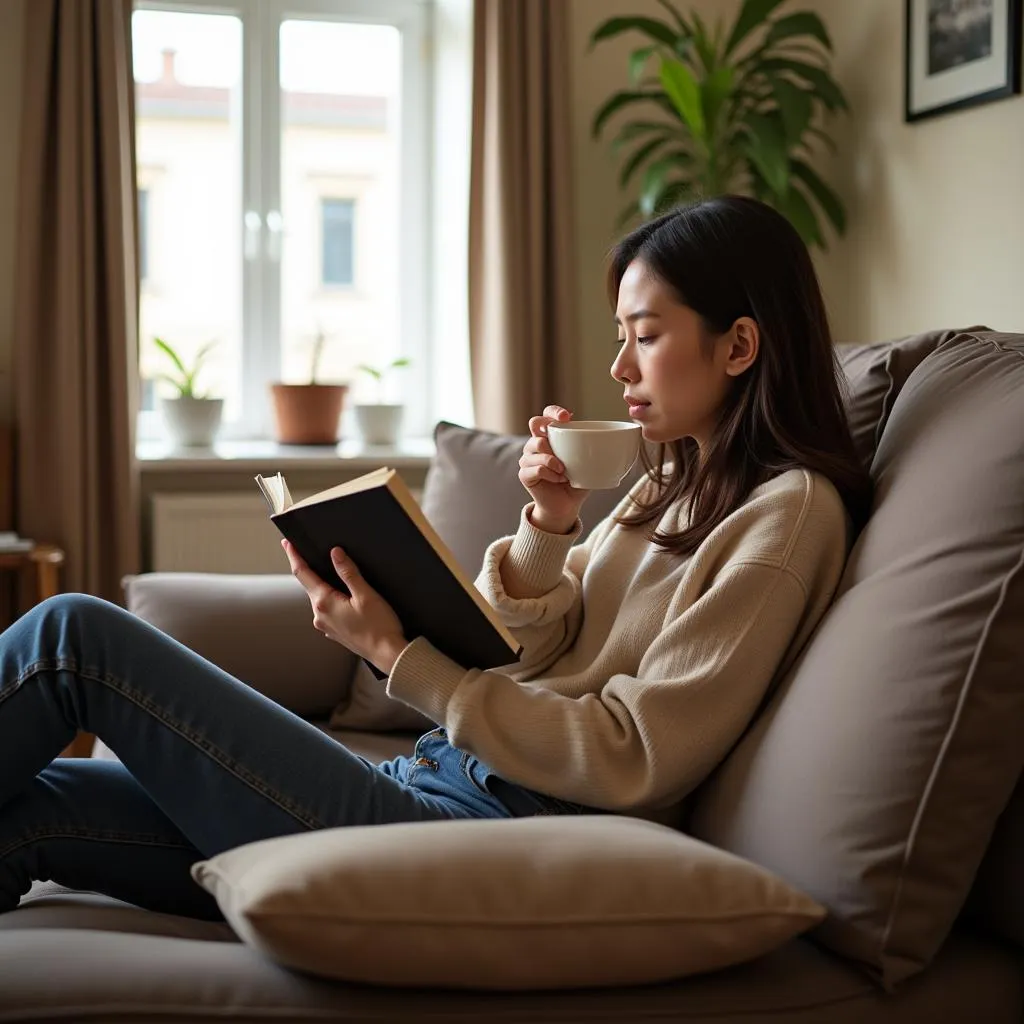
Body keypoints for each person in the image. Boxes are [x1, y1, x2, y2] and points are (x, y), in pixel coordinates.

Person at [0, 195, 872, 920]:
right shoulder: (673, 482)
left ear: (740, 346)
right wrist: (549, 522)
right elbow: (535, 648)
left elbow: (635, 753)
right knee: (32, 812)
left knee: (73, 637)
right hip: (442, 778)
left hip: (479, 825)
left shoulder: (788, 514)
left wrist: (396, 658)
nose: (618, 366)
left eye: (644, 336)